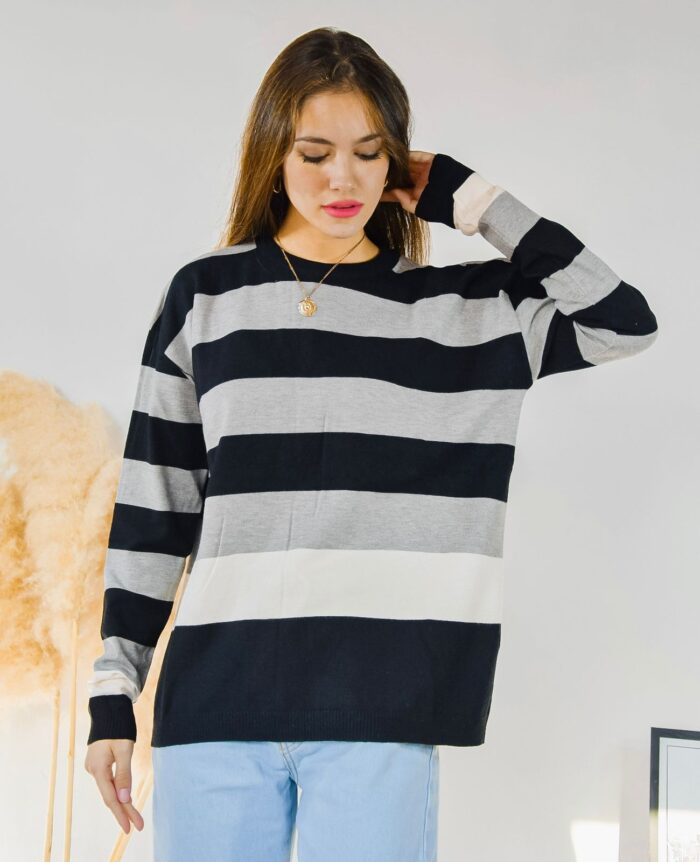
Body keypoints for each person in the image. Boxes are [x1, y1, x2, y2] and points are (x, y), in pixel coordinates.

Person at [84, 26, 658, 862]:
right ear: (273, 154)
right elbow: (154, 509)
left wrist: (471, 199)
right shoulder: (206, 298)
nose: (342, 178)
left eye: (367, 152)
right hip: (214, 708)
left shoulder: (466, 313)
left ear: (398, 162)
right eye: (314, 153)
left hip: (382, 709)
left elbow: (623, 322)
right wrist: (113, 694)